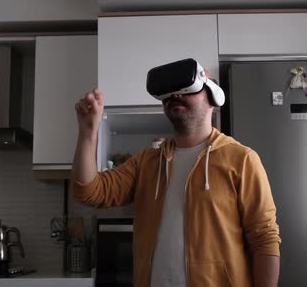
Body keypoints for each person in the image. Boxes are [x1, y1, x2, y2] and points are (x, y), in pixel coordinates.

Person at [71, 61, 281, 287]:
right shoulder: (147, 162)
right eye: (169, 93)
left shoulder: (242, 160)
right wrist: (88, 132)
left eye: (187, 89)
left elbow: (264, 239)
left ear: (213, 98)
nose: (175, 95)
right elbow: (89, 192)